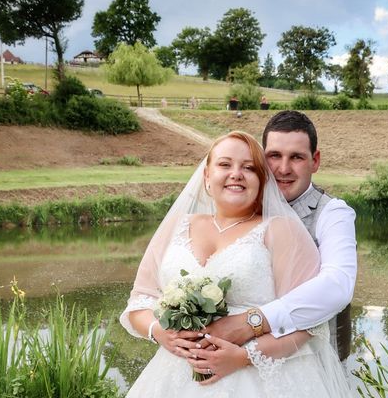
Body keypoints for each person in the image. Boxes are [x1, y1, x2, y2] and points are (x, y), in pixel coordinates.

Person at [120, 131, 352, 397]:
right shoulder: (177, 226)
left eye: (249, 167)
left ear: (262, 181)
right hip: (173, 377)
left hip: (260, 380)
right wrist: (160, 332)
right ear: (207, 176)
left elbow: (309, 325)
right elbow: (139, 302)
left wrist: (245, 356)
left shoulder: (282, 230)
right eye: (224, 164)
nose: (236, 173)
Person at [201, 111, 357, 361]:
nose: (283, 169)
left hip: (314, 364)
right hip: (231, 362)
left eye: (296, 157)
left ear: (315, 161)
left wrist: (252, 322)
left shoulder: (333, 212)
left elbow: (338, 285)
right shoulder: (239, 203)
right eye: (274, 156)